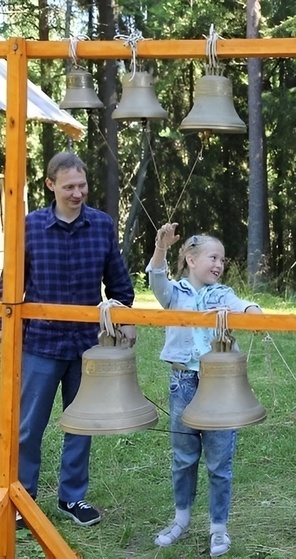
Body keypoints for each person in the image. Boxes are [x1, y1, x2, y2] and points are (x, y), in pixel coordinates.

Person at [7, 151, 136, 529]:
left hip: (87, 344)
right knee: (29, 426)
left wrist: (125, 316)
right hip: (40, 345)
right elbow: (9, 284)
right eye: (69, 187)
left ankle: (72, 498)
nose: (78, 193)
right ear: (51, 186)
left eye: (82, 185)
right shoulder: (29, 227)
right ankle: (21, 498)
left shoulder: (101, 225)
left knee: (82, 423)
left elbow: (118, 281)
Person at [147, 222, 262, 558]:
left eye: (222, 261)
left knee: (219, 461)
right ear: (190, 260)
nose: (218, 265)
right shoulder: (174, 294)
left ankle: (218, 528)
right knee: (183, 457)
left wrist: (251, 311)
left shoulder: (221, 295)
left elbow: (243, 305)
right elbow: (156, 278)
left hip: (219, 386)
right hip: (182, 382)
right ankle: (181, 519)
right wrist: (161, 247)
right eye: (213, 257)